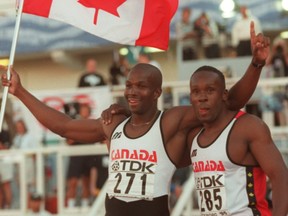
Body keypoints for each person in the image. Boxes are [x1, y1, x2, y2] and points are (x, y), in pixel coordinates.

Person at [1, 22, 270, 216]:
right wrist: (20, 92)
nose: (132, 91)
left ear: (157, 92)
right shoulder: (113, 123)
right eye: (129, 85)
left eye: (141, 86)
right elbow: (64, 127)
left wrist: (255, 64)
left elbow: (229, 102)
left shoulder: (170, 122)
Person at [186, 66, 288, 215]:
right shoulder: (193, 135)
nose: (202, 97)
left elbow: (280, 176)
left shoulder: (247, 127)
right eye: (196, 92)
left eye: (210, 90)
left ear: (224, 95)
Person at [65, 103, 94, 208]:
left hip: (88, 156)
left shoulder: (93, 123)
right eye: (83, 110)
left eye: (86, 110)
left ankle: (86, 207)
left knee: (86, 182)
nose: (85, 112)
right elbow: (69, 140)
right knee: (73, 183)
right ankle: (71, 208)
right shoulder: (75, 123)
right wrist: (79, 134)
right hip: (76, 157)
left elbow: (95, 138)